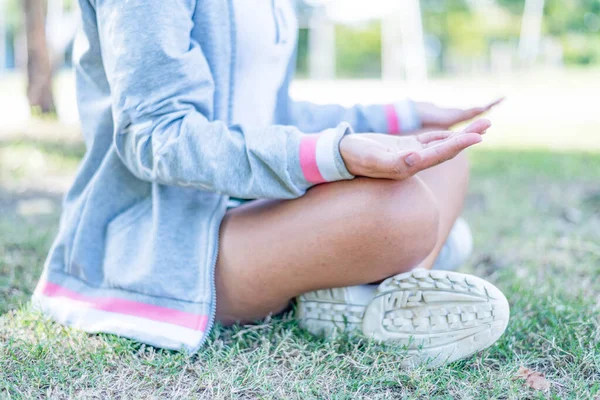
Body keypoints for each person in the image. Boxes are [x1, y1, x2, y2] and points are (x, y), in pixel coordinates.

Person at [32, 0, 509, 367]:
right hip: (170, 240)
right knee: (405, 212)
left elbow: (271, 114)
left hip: (250, 205)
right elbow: (157, 137)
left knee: (445, 160)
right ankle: (383, 276)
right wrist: (334, 154)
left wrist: (406, 117)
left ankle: (380, 294)